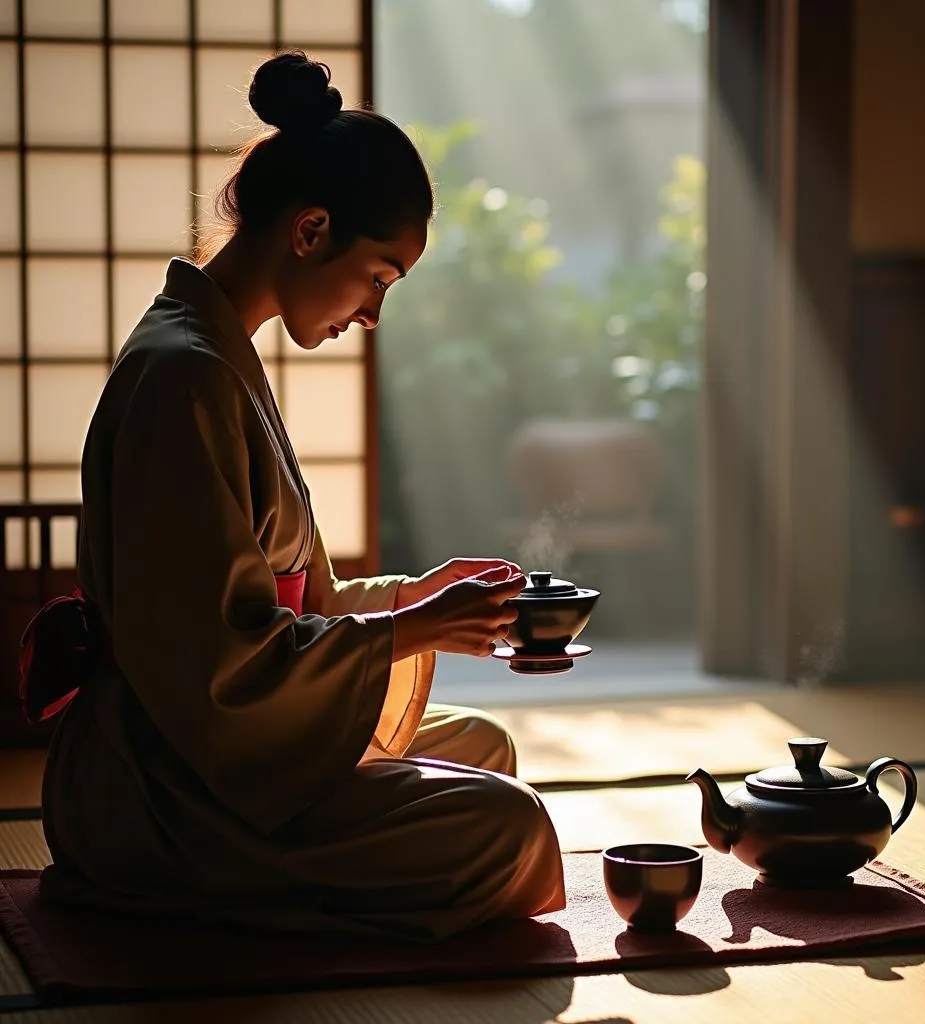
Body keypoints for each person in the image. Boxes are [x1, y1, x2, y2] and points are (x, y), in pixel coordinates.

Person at [25, 51, 565, 942]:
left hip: (218, 753)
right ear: (311, 231)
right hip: (166, 784)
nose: (374, 314)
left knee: (483, 750)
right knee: (509, 831)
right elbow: (218, 671)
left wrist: (415, 598)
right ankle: (199, 902)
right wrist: (419, 628)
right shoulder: (184, 377)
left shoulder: (213, 353)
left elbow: (284, 608)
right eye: (381, 277)